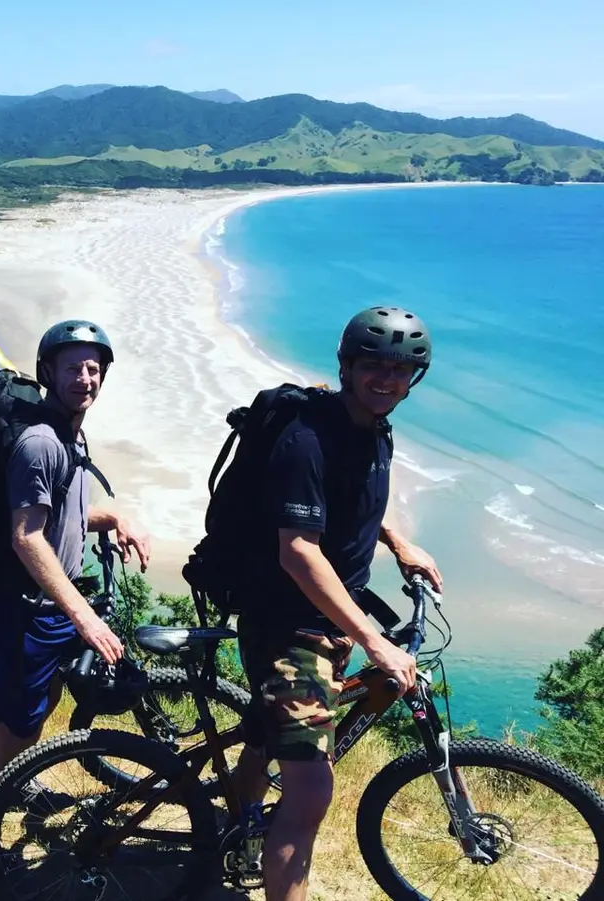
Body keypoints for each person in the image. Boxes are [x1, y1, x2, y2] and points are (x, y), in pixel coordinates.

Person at [231, 305, 444, 901]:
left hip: (330, 624)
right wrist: (375, 640)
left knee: (260, 738)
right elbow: (298, 551)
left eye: (401, 371)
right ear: (347, 366)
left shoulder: (373, 431)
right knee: (308, 793)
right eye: (375, 365)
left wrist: (399, 541)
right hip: (288, 631)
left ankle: (240, 824)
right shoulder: (306, 441)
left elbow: (358, 503)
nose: (388, 379)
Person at [0, 319, 152, 876]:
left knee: (29, 714)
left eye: (94, 368)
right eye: (73, 367)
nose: (85, 378)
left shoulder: (69, 432)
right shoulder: (42, 441)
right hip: (27, 609)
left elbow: (60, 513)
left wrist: (112, 516)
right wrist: (84, 615)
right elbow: (26, 537)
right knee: (14, 728)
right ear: (48, 372)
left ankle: (3, 789)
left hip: (42, 607)